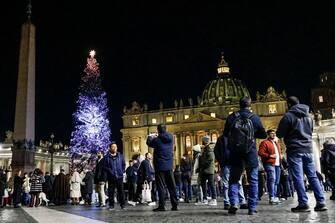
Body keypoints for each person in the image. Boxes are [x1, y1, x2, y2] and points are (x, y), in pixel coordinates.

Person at [277, 96, 327, 212]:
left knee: (298, 177)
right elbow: (311, 131)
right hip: (308, 149)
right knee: (313, 176)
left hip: (295, 150)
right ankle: (321, 202)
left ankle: (303, 203)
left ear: (288, 105)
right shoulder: (309, 116)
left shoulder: (288, 116)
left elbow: (279, 134)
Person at [223, 96, 267, 215]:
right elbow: (263, 135)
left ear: (240, 104)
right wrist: (252, 134)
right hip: (250, 152)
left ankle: (234, 203)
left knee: (233, 180)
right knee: (253, 180)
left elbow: (226, 134)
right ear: (249, 105)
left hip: (235, 153)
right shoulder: (255, 118)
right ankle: (252, 208)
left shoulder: (231, 117)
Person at [146, 124, 178, 211]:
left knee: (161, 187)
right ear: (165, 129)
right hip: (169, 166)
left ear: (158, 130)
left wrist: (150, 136)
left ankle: (162, 206)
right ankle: (174, 205)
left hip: (160, 166)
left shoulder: (157, 140)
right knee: (172, 186)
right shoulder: (171, 137)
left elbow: (148, 143)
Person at [214, 134, 248, 210]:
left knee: (239, 183)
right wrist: (221, 161)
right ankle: (227, 202)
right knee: (226, 184)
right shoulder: (221, 138)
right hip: (226, 164)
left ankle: (242, 202)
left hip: (236, 163)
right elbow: (216, 151)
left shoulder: (238, 136)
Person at [258, 129, 282, 204]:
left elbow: (279, 151)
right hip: (269, 163)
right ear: (268, 135)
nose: (273, 135)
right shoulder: (264, 142)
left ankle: (274, 196)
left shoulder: (276, 143)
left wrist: (280, 155)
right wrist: (269, 155)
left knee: (276, 181)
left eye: (274, 133)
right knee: (272, 179)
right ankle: (271, 197)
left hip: (277, 164)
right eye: (271, 133)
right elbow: (260, 152)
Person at [103, 142, 126, 210]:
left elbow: (123, 164)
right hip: (111, 177)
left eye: (115, 147)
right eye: (113, 147)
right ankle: (111, 205)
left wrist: (122, 171)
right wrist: (110, 171)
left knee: (121, 191)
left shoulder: (120, 155)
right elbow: (104, 167)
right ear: (110, 148)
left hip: (119, 176)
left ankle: (123, 205)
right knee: (111, 192)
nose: (115, 148)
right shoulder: (106, 157)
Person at [199, 135, 217, 206]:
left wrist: (202, 164)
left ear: (204, 141)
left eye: (202, 141)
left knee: (211, 184)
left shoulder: (209, 149)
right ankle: (205, 199)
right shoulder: (206, 148)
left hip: (208, 170)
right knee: (203, 185)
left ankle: (214, 199)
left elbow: (210, 159)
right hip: (205, 170)